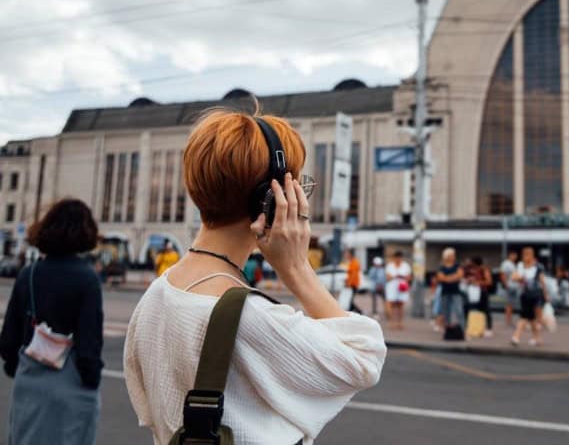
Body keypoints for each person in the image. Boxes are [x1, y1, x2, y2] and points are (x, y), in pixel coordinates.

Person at [124, 109, 386, 444]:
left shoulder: (157, 294)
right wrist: (296, 267)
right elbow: (366, 355)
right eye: (298, 186)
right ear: (272, 199)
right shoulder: (250, 318)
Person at [0, 199, 104, 445]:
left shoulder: (29, 274)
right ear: (86, 232)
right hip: (73, 391)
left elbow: (8, 340)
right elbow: (89, 343)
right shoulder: (88, 279)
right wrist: (90, 380)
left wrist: (17, 368)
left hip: (30, 388)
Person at [511, 247, 548, 347]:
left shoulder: (538, 266)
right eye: (524, 254)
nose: (525, 257)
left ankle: (516, 337)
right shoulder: (520, 265)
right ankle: (537, 339)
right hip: (525, 295)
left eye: (527, 254)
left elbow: (542, 282)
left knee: (525, 317)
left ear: (532, 255)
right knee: (531, 319)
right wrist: (520, 278)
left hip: (536, 295)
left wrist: (546, 295)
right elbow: (514, 276)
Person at [464, 256, 493, 337]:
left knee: (485, 309)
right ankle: (472, 327)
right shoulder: (473, 270)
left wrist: (478, 282)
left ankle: (489, 328)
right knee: (470, 309)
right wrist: (469, 281)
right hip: (473, 292)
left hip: (482, 292)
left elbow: (489, 281)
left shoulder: (484, 269)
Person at [436, 248, 464, 332]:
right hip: (445, 291)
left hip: (456, 291)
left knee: (459, 310)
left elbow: (459, 275)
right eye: (451, 255)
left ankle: (462, 329)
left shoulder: (457, 266)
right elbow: (441, 277)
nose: (453, 257)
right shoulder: (442, 267)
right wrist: (453, 277)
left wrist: (448, 278)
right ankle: (447, 330)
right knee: (446, 311)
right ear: (446, 256)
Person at [385, 251, 411, 330]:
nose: (398, 259)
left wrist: (402, 277)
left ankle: (399, 323)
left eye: (399, 258)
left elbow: (409, 277)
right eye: (396, 258)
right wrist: (395, 276)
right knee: (390, 304)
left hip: (402, 287)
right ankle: (391, 322)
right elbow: (388, 277)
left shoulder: (405, 266)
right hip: (392, 287)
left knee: (400, 305)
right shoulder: (390, 266)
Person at [500, 250, 520, 327]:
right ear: (510, 255)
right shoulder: (506, 263)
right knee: (509, 304)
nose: (515, 257)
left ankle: (510, 320)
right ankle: (508, 321)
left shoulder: (513, 264)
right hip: (510, 286)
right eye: (514, 255)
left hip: (514, 286)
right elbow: (502, 274)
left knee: (512, 304)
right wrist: (506, 285)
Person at [342, 248, 363, 314]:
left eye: (347, 253)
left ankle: (359, 312)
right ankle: (355, 312)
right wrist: (346, 281)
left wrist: (349, 283)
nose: (345, 255)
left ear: (350, 254)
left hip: (353, 284)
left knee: (349, 300)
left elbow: (354, 275)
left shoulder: (354, 263)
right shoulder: (351, 262)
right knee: (350, 300)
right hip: (351, 284)